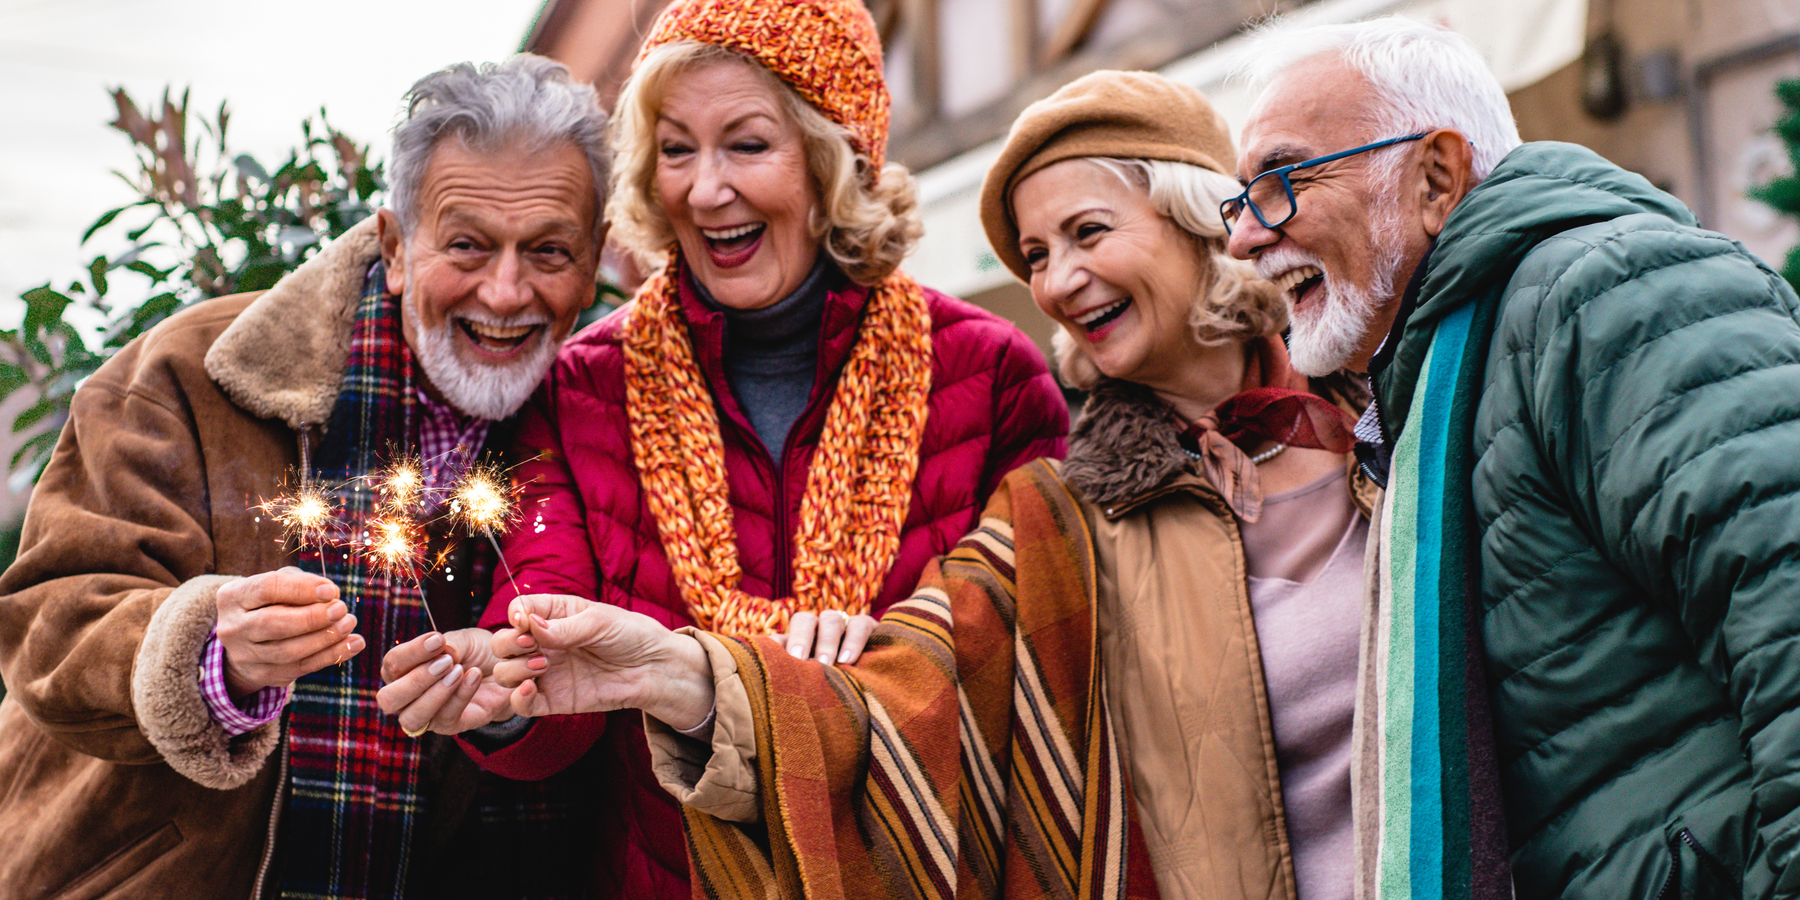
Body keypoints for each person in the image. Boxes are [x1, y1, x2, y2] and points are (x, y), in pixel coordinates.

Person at [483, 70, 1377, 900]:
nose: (1059, 280)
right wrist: (545, 687)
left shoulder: (1380, 425)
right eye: (676, 148)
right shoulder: (1068, 507)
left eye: (748, 144)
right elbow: (952, 660)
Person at [377, 0, 1068, 895]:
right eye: (675, 149)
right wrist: (504, 699)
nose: (705, 190)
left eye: (746, 144)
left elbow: (1039, 654)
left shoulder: (990, 374)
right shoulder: (581, 389)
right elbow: (550, 649)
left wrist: (903, 652)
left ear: (836, 160)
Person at [0, 56, 611, 899]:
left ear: (592, 263)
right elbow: (45, 627)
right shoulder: (187, 371)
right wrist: (210, 653)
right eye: (466, 244)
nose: (506, 292)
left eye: (548, 251)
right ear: (396, 246)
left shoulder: (603, 418)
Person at [1222, 15, 1800, 900]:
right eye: (1241, 199)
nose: (1244, 238)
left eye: (1281, 181)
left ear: (1437, 178)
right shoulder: (1442, 379)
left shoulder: (1605, 290)